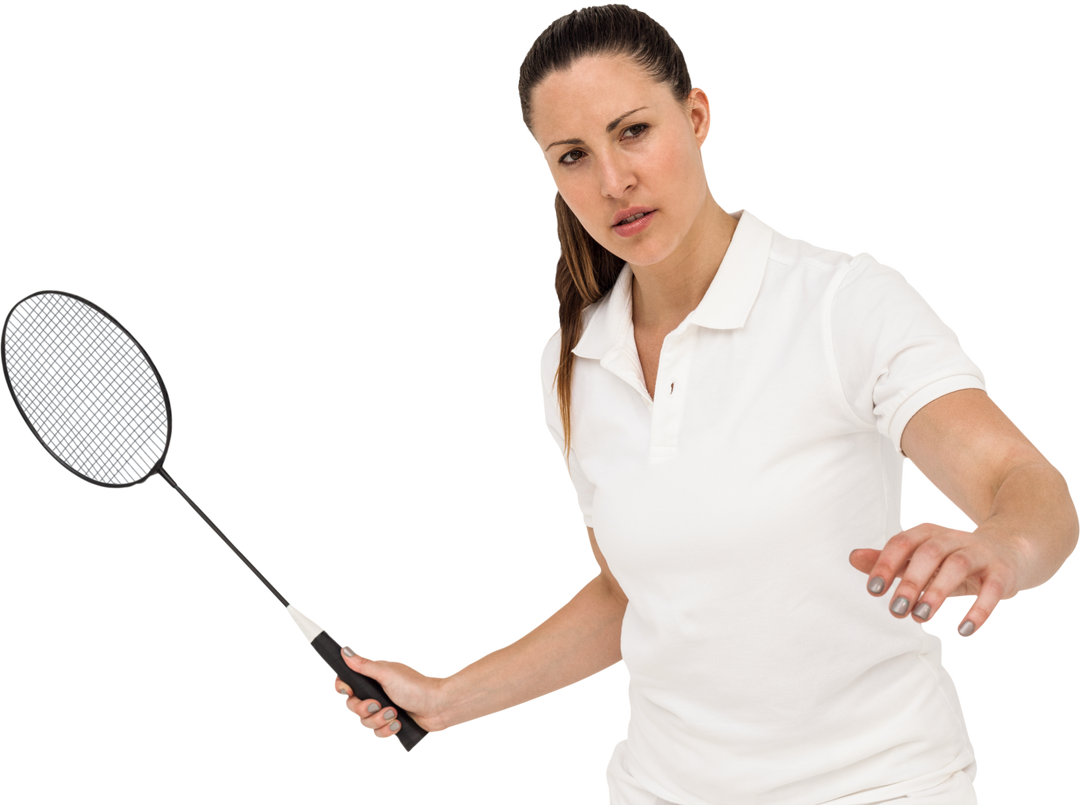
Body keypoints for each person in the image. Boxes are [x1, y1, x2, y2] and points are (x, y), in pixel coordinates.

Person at [328, 4, 1076, 803]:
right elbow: (630, 593)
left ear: (697, 115)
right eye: (573, 155)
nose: (613, 181)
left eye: (634, 131)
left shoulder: (844, 304)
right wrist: (446, 701)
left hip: (882, 785)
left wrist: (1004, 545)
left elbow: (1021, 481)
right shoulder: (569, 364)